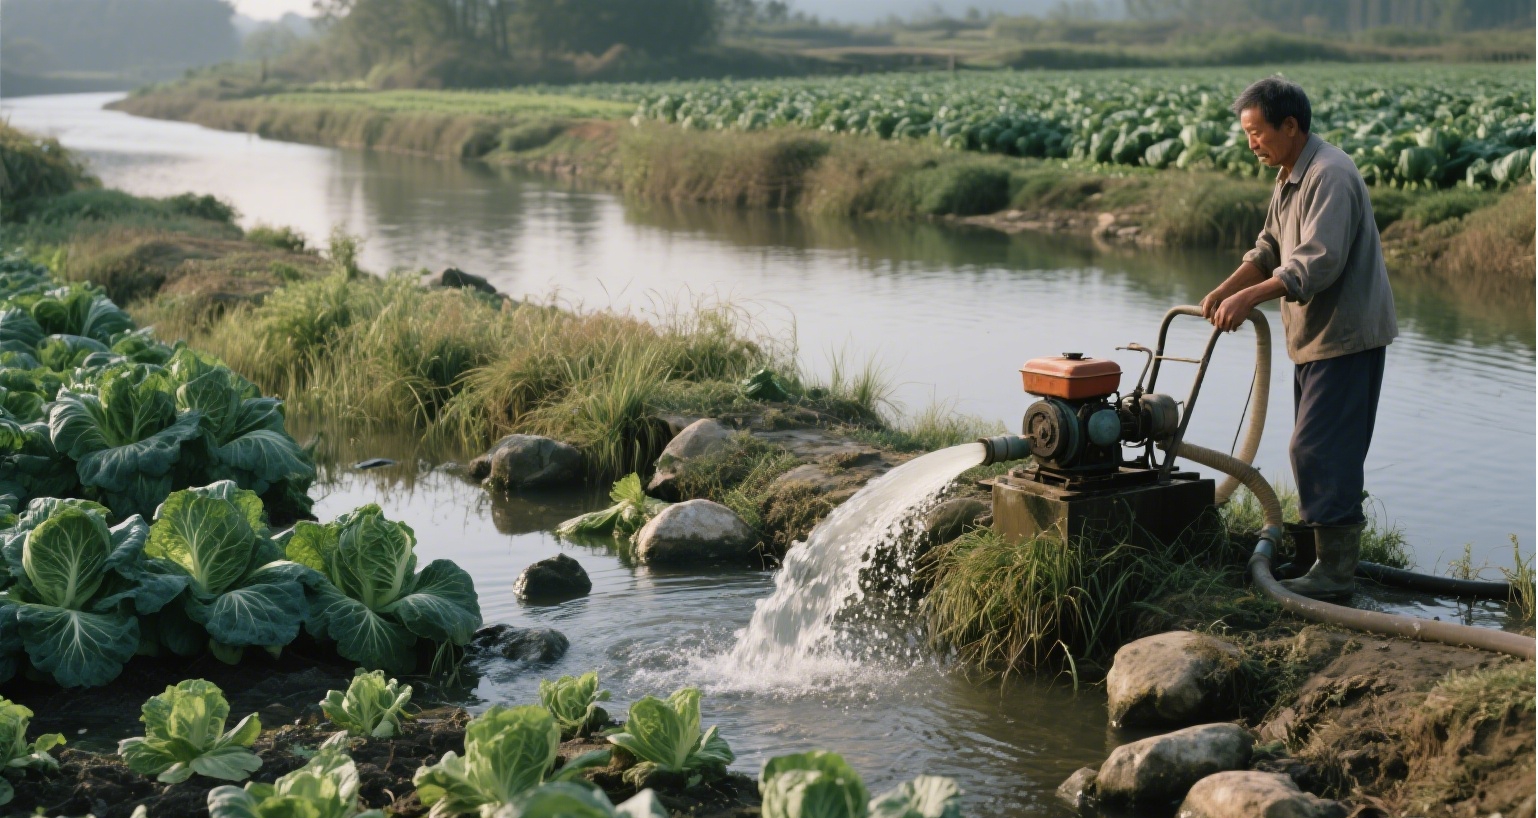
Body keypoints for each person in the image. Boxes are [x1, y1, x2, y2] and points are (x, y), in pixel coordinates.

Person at [1199, 76, 1398, 601]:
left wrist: (1250, 298)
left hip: (1346, 337)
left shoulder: (1329, 174)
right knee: (1314, 449)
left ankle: (1334, 574)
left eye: (1257, 132)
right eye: (1247, 133)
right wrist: (1226, 289)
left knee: (1318, 448)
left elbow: (1316, 262)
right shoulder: (1290, 174)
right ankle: (1315, 559)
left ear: (1290, 126)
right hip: (1314, 337)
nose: (1251, 144)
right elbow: (1269, 246)